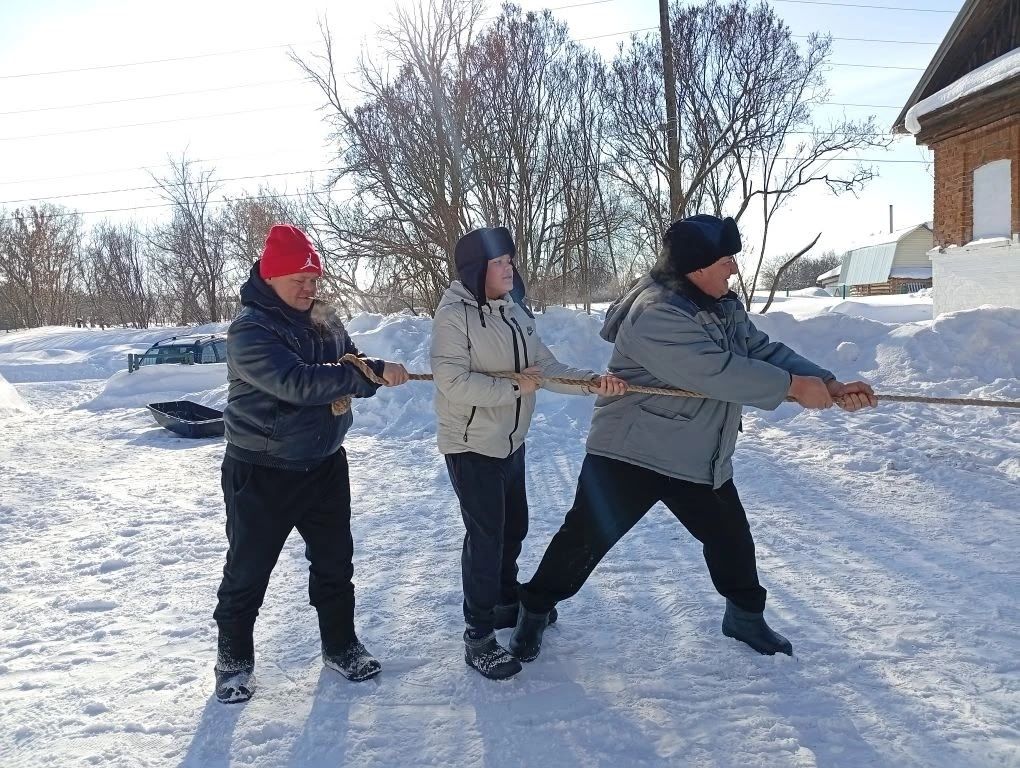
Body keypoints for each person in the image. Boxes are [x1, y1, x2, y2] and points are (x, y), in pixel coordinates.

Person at [510, 214, 877, 663]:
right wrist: (792, 388)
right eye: (727, 261)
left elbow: (758, 350)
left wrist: (827, 381)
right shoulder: (655, 313)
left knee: (731, 539)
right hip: (631, 452)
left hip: (697, 452)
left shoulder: (719, 303)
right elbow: (715, 372)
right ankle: (535, 607)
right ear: (697, 266)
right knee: (584, 538)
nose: (734, 270)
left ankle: (744, 616)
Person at [213, 223, 409, 704]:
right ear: (271, 276)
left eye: (313, 278)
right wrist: (365, 378)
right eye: (297, 279)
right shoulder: (250, 330)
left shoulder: (324, 316)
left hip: (323, 464)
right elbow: (297, 383)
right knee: (248, 570)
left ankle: (341, 646)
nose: (309, 288)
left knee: (335, 562)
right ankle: (233, 661)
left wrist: (371, 367)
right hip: (262, 470)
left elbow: (350, 360)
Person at [430, 226, 627, 680]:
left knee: (513, 528)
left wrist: (591, 383)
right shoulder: (453, 317)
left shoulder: (513, 312)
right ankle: (477, 635)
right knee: (486, 539)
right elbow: (453, 383)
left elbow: (547, 367)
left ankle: (502, 602)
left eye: (510, 261)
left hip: (510, 441)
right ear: (478, 269)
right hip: (471, 443)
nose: (509, 268)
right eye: (501, 262)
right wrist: (515, 385)